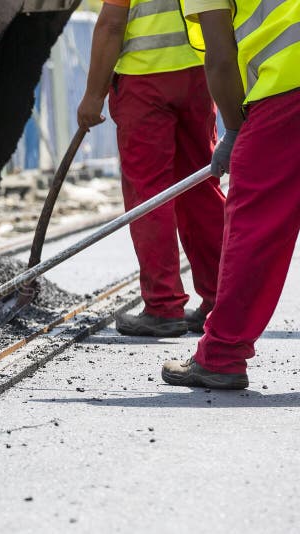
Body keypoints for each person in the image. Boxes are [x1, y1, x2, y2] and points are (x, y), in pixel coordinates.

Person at [162, 0, 300, 389]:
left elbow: (220, 58)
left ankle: (221, 356)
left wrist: (236, 128)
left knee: (255, 227)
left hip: (288, 88)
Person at [77, 0, 226, 337]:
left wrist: (92, 96)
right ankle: (221, 302)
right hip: (200, 76)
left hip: (144, 82)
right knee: (200, 188)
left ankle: (163, 307)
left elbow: (111, 24)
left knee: (149, 194)